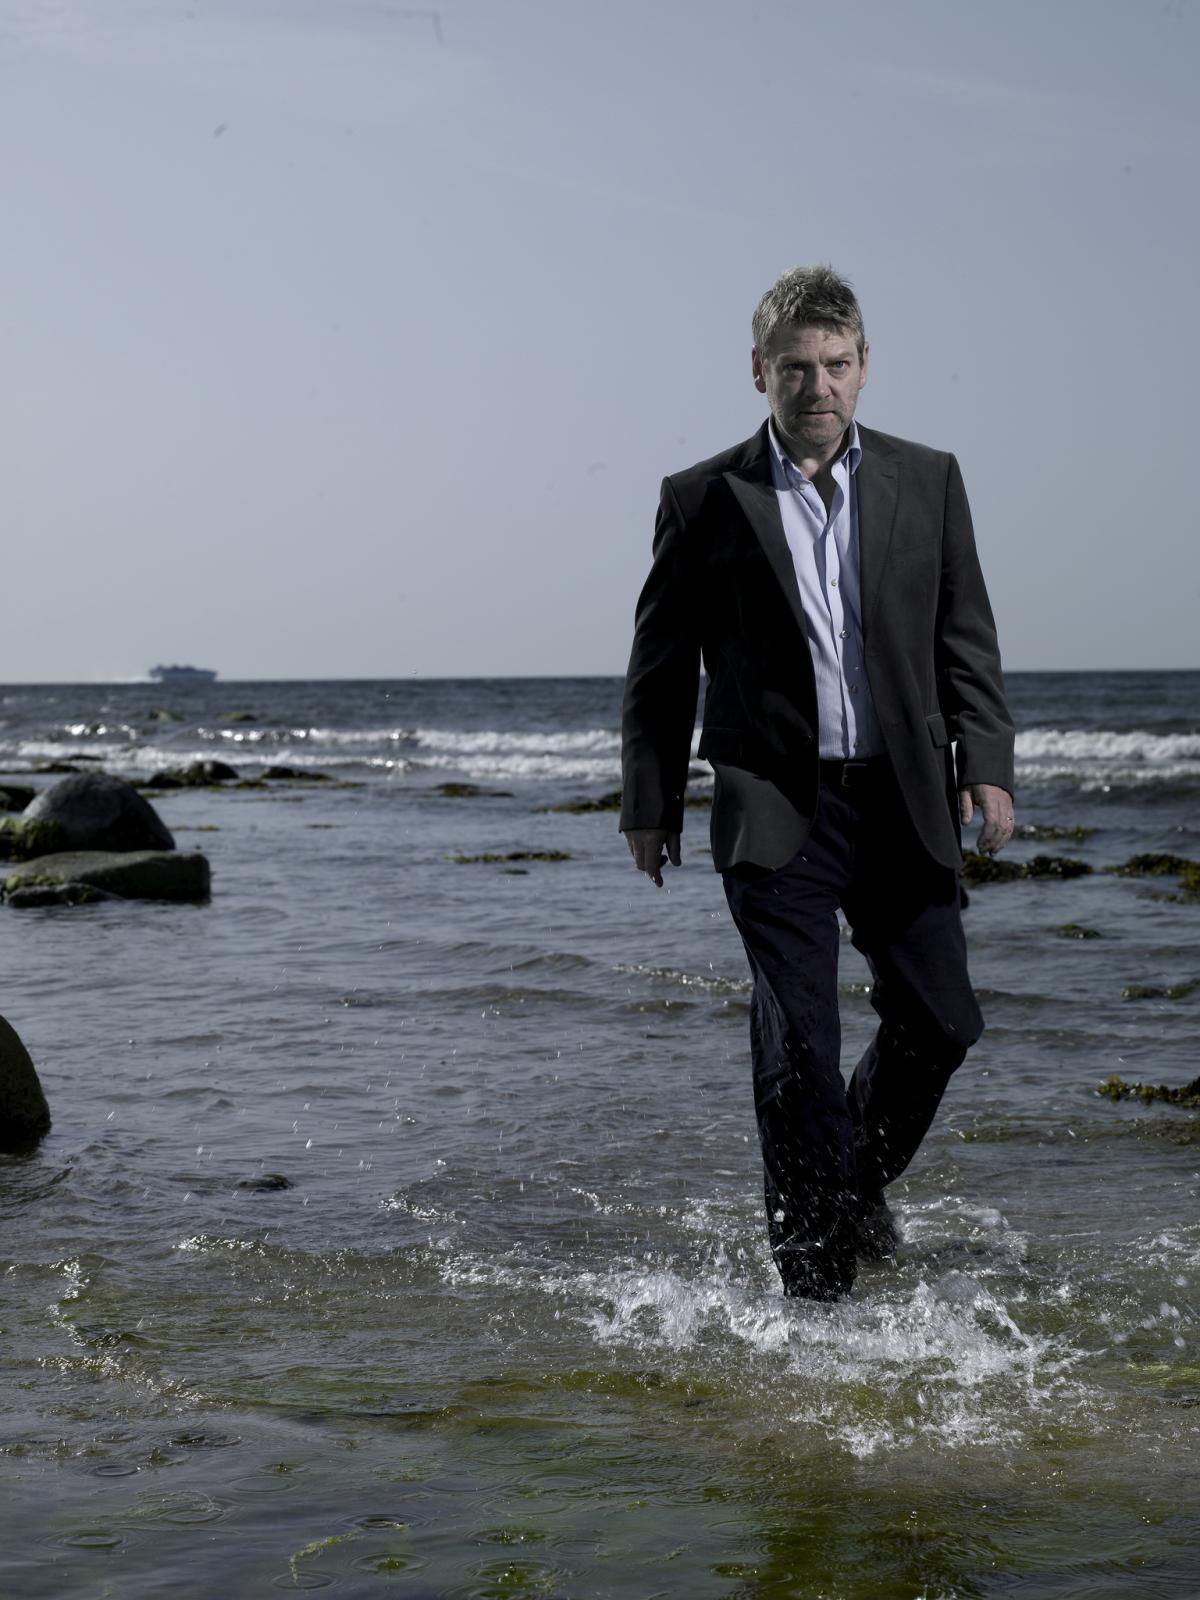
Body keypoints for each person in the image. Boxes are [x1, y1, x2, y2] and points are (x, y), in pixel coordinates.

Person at [620, 265, 1015, 1301]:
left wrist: (987, 765)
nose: (818, 386)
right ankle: (817, 1293)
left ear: (865, 366)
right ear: (759, 371)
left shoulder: (929, 481)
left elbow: (965, 638)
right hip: (773, 806)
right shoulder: (703, 499)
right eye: (795, 367)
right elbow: (660, 664)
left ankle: (846, 1189)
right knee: (799, 1044)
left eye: (836, 364)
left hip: (903, 802)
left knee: (942, 1022)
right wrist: (649, 804)